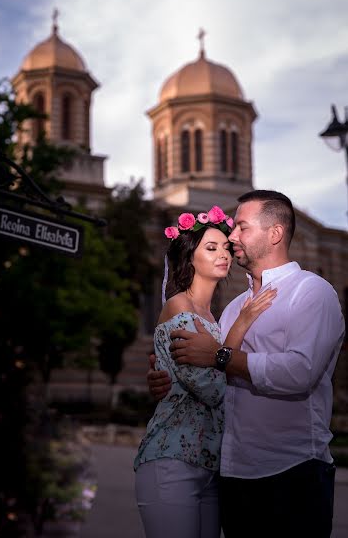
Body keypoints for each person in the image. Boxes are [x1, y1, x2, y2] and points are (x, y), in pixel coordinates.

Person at [148, 190, 345, 538]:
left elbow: (299, 373)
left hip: (292, 472)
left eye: (241, 227)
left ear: (275, 234)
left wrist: (221, 356)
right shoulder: (234, 307)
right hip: (233, 476)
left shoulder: (312, 292)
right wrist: (168, 375)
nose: (232, 236)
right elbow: (207, 375)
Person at [134, 204, 276, 538]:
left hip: (212, 467)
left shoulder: (215, 317)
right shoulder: (179, 306)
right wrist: (242, 324)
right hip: (171, 460)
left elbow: (218, 372)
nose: (223, 253)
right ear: (189, 258)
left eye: (226, 247)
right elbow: (214, 390)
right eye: (210, 248)